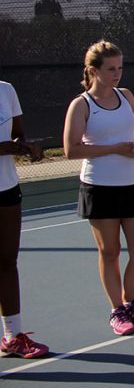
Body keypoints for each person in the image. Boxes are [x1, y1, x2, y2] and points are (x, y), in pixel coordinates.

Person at [63, 40, 134, 335]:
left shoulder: (126, 96)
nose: (117, 74)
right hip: (99, 187)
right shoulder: (81, 105)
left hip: (131, 185)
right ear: (93, 70)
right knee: (110, 252)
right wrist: (116, 148)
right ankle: (117, 310)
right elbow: (71, 150)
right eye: (111, 69)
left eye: (120, 68)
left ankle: (130, 302)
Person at [0, 81, 49, 358]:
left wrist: (26, 147)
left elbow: (17, 134)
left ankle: (12, 336)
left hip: (6, 189)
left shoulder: (6, 90)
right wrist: (8, 147)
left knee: (7, 262)